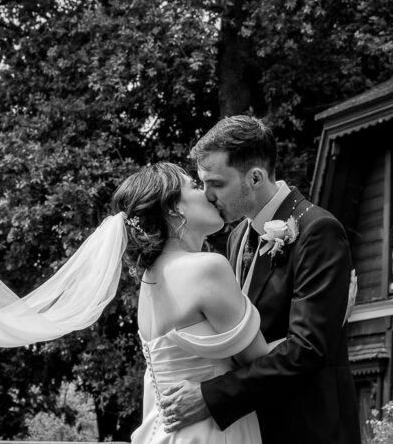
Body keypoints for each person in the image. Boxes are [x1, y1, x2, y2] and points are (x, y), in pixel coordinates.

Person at [159, 115, 359, 444]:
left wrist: (210, 397)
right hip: (256, 428)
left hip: (310, 428)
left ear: (254, 177)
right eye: (202, 183)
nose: (207, 195)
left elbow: (307, 350)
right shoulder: (238, 236)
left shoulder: (317, 230)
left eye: (216, 183)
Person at [117, 161, 268, 443]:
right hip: (214, 432)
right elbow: (265, 365)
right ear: (174, 208)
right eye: (195, 186)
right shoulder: (206, 268)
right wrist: (329, 315)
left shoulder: (149, 282)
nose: (207, 193)